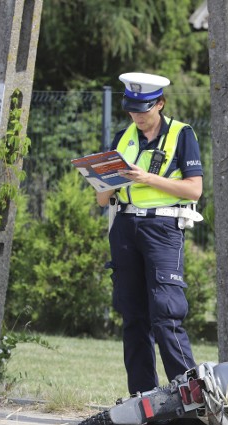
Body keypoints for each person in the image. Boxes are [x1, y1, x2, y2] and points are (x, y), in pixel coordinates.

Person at [96, 72, 204, 394]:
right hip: (125, 226)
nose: (137, 116)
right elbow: (103, 198)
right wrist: (102, 184)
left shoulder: (182, 135)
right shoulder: (122, 137)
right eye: (132, 109)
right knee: (133, 317)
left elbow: (194, 190)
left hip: (164, 228)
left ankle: (191, 395)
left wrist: (146, 180)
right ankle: (142, 398)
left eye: (143, 109)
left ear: (160, 103)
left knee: (166, 313)